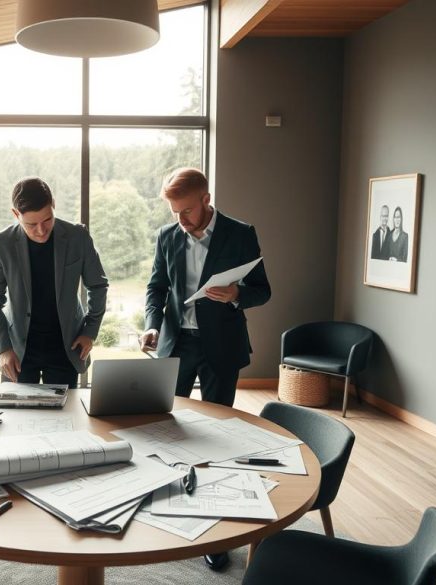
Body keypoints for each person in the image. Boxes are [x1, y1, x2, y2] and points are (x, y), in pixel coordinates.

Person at [140, 167, 271, 572]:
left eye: (187, 210)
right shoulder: (167, 236)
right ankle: (165, 507)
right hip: (177, 340)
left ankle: (217, 533)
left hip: (222, 343)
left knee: (216, 437)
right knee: (166, 427)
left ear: (207, 199)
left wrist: (236, 294)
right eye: (175, 211)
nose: (181, 219)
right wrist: (151, 323)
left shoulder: (241, 233)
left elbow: (262, 290)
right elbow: (156, 287)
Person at [0, 177, 108, 389]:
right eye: (31, 224)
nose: (41, 230)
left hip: (67, 346)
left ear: (54, 205)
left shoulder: (78, 237)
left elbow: (98, 285)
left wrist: (90, 331)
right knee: (17, 418)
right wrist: (3, 348)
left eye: (47, 219)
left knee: (65, 417)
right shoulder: (1, 242)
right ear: (16, 214)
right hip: (18, 348)